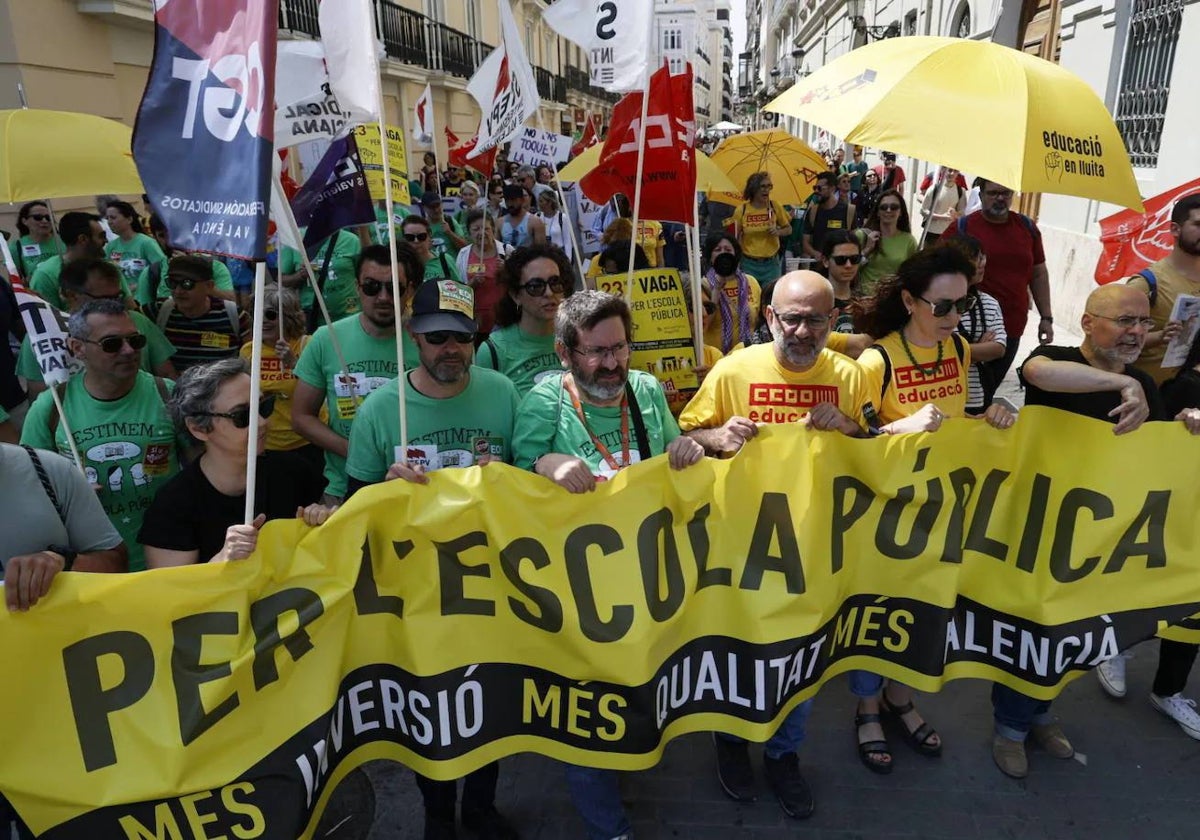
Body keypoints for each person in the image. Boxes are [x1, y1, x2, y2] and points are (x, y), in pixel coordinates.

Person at [679, 270, 877, 817]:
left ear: (832, 321)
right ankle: (732, 744)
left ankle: (784, 756)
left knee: (801, 661)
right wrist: (715, 437)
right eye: (790, 316)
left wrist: (854, 432)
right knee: (739, 654)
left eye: (816, 318)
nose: (802, 329)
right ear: (770, 318)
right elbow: (685, 435)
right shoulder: (732, 370)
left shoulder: (851, 376)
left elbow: (881, 452)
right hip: (738, 550)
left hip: (818, 553)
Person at [511, 290, 703, 840]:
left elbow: (670, 458)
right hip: (575, 595)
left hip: (645, 580)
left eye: (620, 348)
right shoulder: (544, 401)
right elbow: (510, 480)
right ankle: (607, 824)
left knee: (638, 689)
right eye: (596, 352)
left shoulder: (644, 389)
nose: (613, 363)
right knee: (588, 711)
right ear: (564, 352)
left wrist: (685, 452)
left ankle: (629, 762)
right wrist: (546, 463)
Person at [343, 285, 521, 840]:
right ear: (414, 337)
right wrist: (384, 490)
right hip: (415, 594)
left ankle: (482, 807)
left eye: (463, 337)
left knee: (490, 702)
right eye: (438, 336)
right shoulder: (380, 410)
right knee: (432, 712)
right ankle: (438, 815)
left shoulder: (503, 392)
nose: (451, 349)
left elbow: (532, 483)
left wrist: (507, 475)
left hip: (491, 585)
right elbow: (354, 505)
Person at [1010, 284, 1200, 775]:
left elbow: (1154, 458)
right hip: (1040, 537)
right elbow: (1037, 372)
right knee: (1029, 635)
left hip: (1099, 548)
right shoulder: (1055, 358)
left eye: (1142, 322)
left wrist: (1184, 429)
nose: (1136, 332)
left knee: (1069, 640)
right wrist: (1120, 385)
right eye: (1123, 321)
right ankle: (1009, 728)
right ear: (1090, 322)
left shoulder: (1145, 383)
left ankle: (1043, 715)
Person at [850, 246, 1015, 774]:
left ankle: (901, 698)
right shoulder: (876, 360)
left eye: (961, 306)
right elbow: (849, 446)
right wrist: (899, 428)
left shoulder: (959, 349)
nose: (953, 319)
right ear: (908, 300)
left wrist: (990, 413)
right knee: (881, 614)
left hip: (943, 507)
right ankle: (867, 707)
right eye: (941, 307)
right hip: (885, 513)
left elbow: (959, 418)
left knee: (929, 610)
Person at [21, 298, 181, 572]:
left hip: (168, 560)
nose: (129, 350)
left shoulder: (168, 394)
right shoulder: (51, 408)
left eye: (135, 340)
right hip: (93, 567)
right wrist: (67, 494)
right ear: (77, 348)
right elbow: (28, 486)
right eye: (112, 344)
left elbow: (202, 468)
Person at [140, 358, 333, 567]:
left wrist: (324, 521)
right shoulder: (174, 504)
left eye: (264, 407)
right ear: (198, 428)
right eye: (242, 416)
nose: (261, 422)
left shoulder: (294, 471)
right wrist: (222, 560)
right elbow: (172, 592)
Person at [292, 244, 422, 504]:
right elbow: (301, 417)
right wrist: (355, 451)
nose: (383, 297)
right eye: (372, 286)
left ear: (410, 290)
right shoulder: (326, 338)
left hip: (414, 486)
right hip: (343, 487)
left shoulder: (429, 341)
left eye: (394, 288)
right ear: (357, 286)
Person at [18, 259, 176, 397]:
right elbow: (38, 392)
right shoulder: (41, 334)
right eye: (105, 298)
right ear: (71, 295)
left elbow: (167, 374)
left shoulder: (138, 321)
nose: (114, 305)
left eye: (118, 297)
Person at [956, 179, 1053, 384]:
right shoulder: (963, 227)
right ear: (980, 195)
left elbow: (1039, 274)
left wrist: (1046, 317)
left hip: (1012, 325)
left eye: (1006, 193)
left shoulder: (1027, 228)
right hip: (969, 326)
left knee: (989, 389)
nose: (1000, 198)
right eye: (993, 193)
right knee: (966, 390)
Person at [239, 284, 324, 474]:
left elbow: (323, 390)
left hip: (305, 443)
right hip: (266, 444)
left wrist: (294, 364)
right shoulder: (249, 351)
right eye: (256, 314)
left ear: (288, 316)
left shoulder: (308, 345)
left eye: (270, 314)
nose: (263, 321)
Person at [477, 244, 573, 396]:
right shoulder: (493, 351)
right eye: (535, 286)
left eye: (555, 283)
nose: (548, 293)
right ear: (516, 295)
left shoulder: (579, 339)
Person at [1127, 192, 1200, 385]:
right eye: (1198, 225)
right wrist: (1160, 336)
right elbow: (1112, 342)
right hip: (1145, 398)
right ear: (1175, 229)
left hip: (1189, 401)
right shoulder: (1147, 283)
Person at [939, 235, 1006, 413]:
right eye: (975, 258)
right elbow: (934, 351)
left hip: (976, 397)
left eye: (982, 256)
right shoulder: (937, 304)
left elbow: (999, 348)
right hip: (940, 397)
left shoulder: (989, 304)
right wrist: (977, 350)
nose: (982, 263)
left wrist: (959, 351)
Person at [155, 255, 250, 372]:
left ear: (209, 286)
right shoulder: (159, 312)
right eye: (172, 283)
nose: (178, 291)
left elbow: (251, 358)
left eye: (187, 284)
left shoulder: (234, 315)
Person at [136, 213, 237, 313]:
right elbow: (146, 313)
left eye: (175, 234)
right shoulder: (151, 272)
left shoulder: (215, 267)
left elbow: (231, 302)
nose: (169, 242)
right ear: (155, 238)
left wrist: (193, 270)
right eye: (162, 236)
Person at [30, 211, 127, 310]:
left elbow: (129, 306)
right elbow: (48, 320)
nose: (106, 241)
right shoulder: (45, 275)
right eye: (101, 236)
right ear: (83, 239)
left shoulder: (109, 268)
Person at [277, 228, 363, 326]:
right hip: (313, 319)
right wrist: (300, 275)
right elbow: (281, 281)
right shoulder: (295, 239)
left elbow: (364, 275)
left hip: (348, 317)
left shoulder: (352, 241)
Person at [727, 172, 790, 286]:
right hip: (748, 264)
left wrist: (778, 232)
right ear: (753, 188)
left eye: (769, 186)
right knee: (751, 299)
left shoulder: (775, 206)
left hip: (771, 264)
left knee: (769, 298)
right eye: (763, 186)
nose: (766, 190)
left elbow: (789, 229)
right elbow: (733, 237)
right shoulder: (742, 210)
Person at [703, 232, 761, 354]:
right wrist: (716, 290)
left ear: (736, 255)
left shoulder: (751, 282)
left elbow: (760, 321)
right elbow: (704, 324)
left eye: (728, 250)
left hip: (747, 355)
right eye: (718, 250)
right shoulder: (703, 285)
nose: (723, 253)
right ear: (710, 257)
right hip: (716, 358)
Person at [456, 209, 509, 337]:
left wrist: (507, 271)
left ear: (493, 230)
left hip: (503, 321)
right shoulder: (463, 254)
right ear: (469, 232)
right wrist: (472, 283)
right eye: (476, 229)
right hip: (474, 321)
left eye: (486, 228)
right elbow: (458, 290)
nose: (482, 233)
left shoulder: (507, 251)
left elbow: (520, 282)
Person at [857, 189, 917, 296]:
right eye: (883, 207)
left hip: (893, 300)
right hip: (865, 299)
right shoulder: (862, 236)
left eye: (894, 207)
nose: (888, 210)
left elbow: (912, 274)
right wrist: (866, 250)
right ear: (878, 213)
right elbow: (847, 268)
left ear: (901, 212)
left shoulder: (909, 241)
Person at [103, 200, 166, 298]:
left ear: (129, 219)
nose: (109, 222)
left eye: (113, 217)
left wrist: (139, 286)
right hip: (121, 300)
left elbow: (162, 269)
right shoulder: (111, 247)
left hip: (144, 300)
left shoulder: (146, 243)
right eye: (107, 218)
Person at [802, 171, 856, 264]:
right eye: (815, 188)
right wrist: (815, 253)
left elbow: (854, 240)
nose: (816, 191)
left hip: (840, 266)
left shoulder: (849, 211)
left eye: (819, 188)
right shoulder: (813, 211)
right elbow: (805, 242)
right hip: (818, 267)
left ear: (832, 188)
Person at [821, 231, 865, 334]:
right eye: (841, 260)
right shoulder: (815, 301)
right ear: (825, 261)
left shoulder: (864, 303)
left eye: (855, 259)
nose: (848, 265)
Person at [8, 201, 63, 279]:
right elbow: (14, 282)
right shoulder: (16, 247)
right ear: (24, 221)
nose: (44, 221)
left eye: (48, 217)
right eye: (38, 217)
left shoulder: (64, 241)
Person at [403, 216, 462, 283]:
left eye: (421, 236)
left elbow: (460, 289)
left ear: (430, 235)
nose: (416, 241)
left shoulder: (445, 260)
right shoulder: (399, 265)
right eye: (410, 237)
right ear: (404, 239)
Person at [918, 168, 967, 246]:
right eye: (949, 170)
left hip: (950, 233)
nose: (952, 173)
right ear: (943, 170)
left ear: (958, 173)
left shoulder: (960, 191)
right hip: (932, 233)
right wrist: (942, 217)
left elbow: (962, 213)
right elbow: (923, 211)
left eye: (955, 171)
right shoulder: (933, 189)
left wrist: (955, 214)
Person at [420, 191, 468, 257]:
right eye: (432, 207)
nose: (436, 210)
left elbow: (465, 248)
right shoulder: (421, 226)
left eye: (438, 205)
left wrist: (450, 233)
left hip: (452, 265)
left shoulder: (450, 221)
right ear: (424, 208)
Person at [500, 185, 547, 249]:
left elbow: (541, 251)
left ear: (522, 200)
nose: (510, 204)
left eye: (513, 200)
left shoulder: (535, 222)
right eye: (507, 200)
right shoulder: (500, 223)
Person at [536, 188, 576, 264]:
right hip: (544, 256)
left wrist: (568, 260)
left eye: (541, 201)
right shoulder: (537, 217)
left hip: (559, 255)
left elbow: (567, 240)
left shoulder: (562, 217)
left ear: (549, 202)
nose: (539, 204)